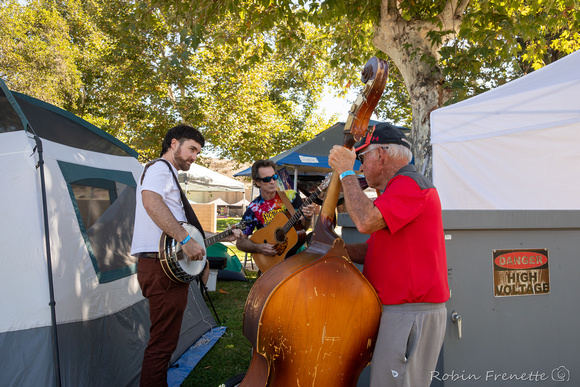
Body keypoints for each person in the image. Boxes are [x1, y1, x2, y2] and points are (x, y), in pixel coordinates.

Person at [328, 123, 450, 387]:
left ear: (380, 155)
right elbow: (377, 250)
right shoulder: (398, 188)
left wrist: (346, 172)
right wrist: (336, 251)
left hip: (408, 311)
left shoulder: (409, 184)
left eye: (362, 158)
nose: (360, 166)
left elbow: (364, 221)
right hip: (401, 310)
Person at [130, 124, 241, 387]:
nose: (194, 156)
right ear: (173, 143)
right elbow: (151, 202)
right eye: (191, 149)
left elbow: (177, 222)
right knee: (162, 345)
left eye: (198, 152)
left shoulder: (168, 175)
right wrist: (186, 239)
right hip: (159, 268)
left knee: (164, 342)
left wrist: (210, 238)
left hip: (167, 267)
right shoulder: (159, 168)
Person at [236, 159, 316, 259]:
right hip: (272, 261)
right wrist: (259, 248)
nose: (272, 182)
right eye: (267, 179)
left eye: (274, 177)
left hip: (296, 256)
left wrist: (308, 218)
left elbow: (302, 228)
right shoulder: (254, 207)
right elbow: (240, 242)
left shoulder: (291, 197)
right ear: (257, 182)